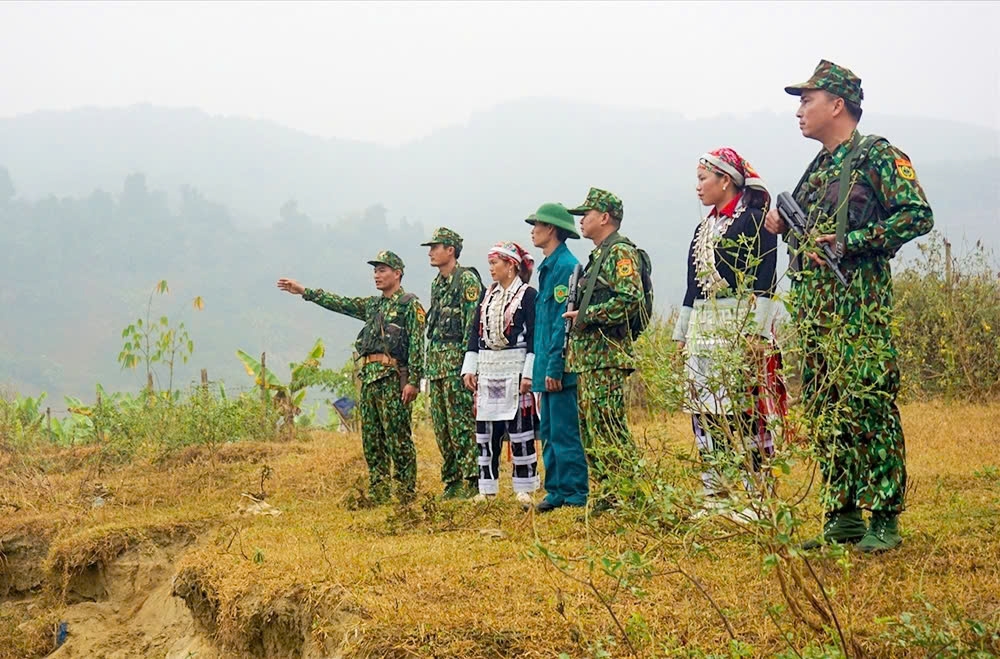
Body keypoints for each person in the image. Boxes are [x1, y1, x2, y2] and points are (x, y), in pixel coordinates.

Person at [764, 59, 934, 552]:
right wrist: (780, 223)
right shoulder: (818, 166)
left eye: (807, 100)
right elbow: (801, 226)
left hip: (859, 311)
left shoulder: (879, 156)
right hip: (816, 311)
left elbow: (917, 215)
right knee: (825, 407)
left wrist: (851, 241)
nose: (799, 110)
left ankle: (883, 516)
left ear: (837, 105)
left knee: (869, 406)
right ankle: (842, 515)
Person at [673, 148, 783, 520]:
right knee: (706, 413)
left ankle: (758, 498)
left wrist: (759, 333)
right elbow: (693, 286)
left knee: (746, 412)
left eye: (704, 178)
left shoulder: (756, 220)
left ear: (726, 180)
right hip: (704, 330)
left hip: (740, 324)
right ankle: (716, 494)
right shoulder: (703, 228)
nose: (698, 187)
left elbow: (766, 276)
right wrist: (681, 334)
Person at [276, 250, 425, 505]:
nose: (377, 275)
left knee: (398, 438)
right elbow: (340, 303)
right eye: (375, 271)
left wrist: (413, 381)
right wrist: (304, 292)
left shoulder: (409, 304)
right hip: (369, 379)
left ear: (397, 273)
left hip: (392, 379)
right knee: (372, 440)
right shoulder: (373, 305)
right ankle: (379, 493)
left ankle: (405, 494)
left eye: (383, 270)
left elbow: (417, 345)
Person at [563, 187, 643, 513]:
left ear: (605, 217)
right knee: (593, 429)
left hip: (607, 356)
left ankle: (628, 495)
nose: (581, 220)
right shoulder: (599, 255)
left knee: (609, 426)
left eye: (587, 214)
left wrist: (585, 316)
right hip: (590, 358)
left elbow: (629, 299)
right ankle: (609, 494)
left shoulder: (620, 253)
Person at [461, 241, 540, 505]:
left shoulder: (528, 296)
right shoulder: (487, 296)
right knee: (486, 431)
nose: (491, 269)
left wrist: (529, 374)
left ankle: (524, 486)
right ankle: (487, 488)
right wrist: (469, 368)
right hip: (488, 370)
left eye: (495, 263)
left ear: (511, 266)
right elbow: (475, 333)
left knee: (520, 430)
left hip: (515, 370)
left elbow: (534, 337)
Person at [526, 203, 589, 513]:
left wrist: (554, 366)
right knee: (549, 431)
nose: (533, 230)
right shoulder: (548, 266)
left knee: (565, 431)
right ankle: (556, 491)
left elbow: (560, 324)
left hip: (560, 366)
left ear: (551, 229)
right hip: (545, 367)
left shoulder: (566, 267)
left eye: (537, 225)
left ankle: (575, 493)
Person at [422, 227, 484, 499]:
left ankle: (473, 480)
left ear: (451, 250)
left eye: (436, 247)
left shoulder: (466, 280)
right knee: (442, 426)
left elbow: (473, 326)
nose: (431, 252)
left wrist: (469, 366)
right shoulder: (437, 283)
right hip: (436, 365)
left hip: (457, 365)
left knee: (461, 425)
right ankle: (452, 480)